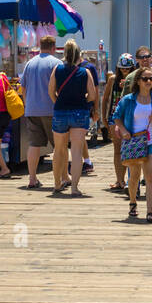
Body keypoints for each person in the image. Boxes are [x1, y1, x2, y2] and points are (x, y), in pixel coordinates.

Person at [113, 67, 152, 221]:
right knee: (134, 176)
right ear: (138, 81)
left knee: (150, 177)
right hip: (134, 141)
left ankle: (150, 212)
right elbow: (116, 117)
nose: (149, 81)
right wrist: (123, 130)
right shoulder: (128, 100)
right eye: (145, 79)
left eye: (151, 79)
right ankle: (132, 203)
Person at [49, 39, 96, 197]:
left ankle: (57, 184)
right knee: (76, 151)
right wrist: (83, 100)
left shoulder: (57, 69)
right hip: (79, 113)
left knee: (59, 149)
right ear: (78, 55)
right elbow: (93, 95)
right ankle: (74, 187)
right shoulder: (85, 72)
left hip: (61, 112)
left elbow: (51, 91)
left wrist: (59, 102)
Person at [20, 35, 61, 189]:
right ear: (53, 47)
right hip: (50, 109)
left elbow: (22, 88)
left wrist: (27, 104)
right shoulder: (56, 63)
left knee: (34, 145)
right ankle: (63, 177)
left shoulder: (29, 63)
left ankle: (32, 178)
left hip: (31, 109)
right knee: (59, 145)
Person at [104, 54, 136, 193]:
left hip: (131, 117)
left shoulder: (136, 78)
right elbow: (105, 98)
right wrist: (104, 117)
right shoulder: (112, 79)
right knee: (117, 150)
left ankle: (131, 180)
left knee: (129, 150)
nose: (125, 71)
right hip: (114, 116)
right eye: (122, 69)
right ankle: (119, 180)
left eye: (128, 68)